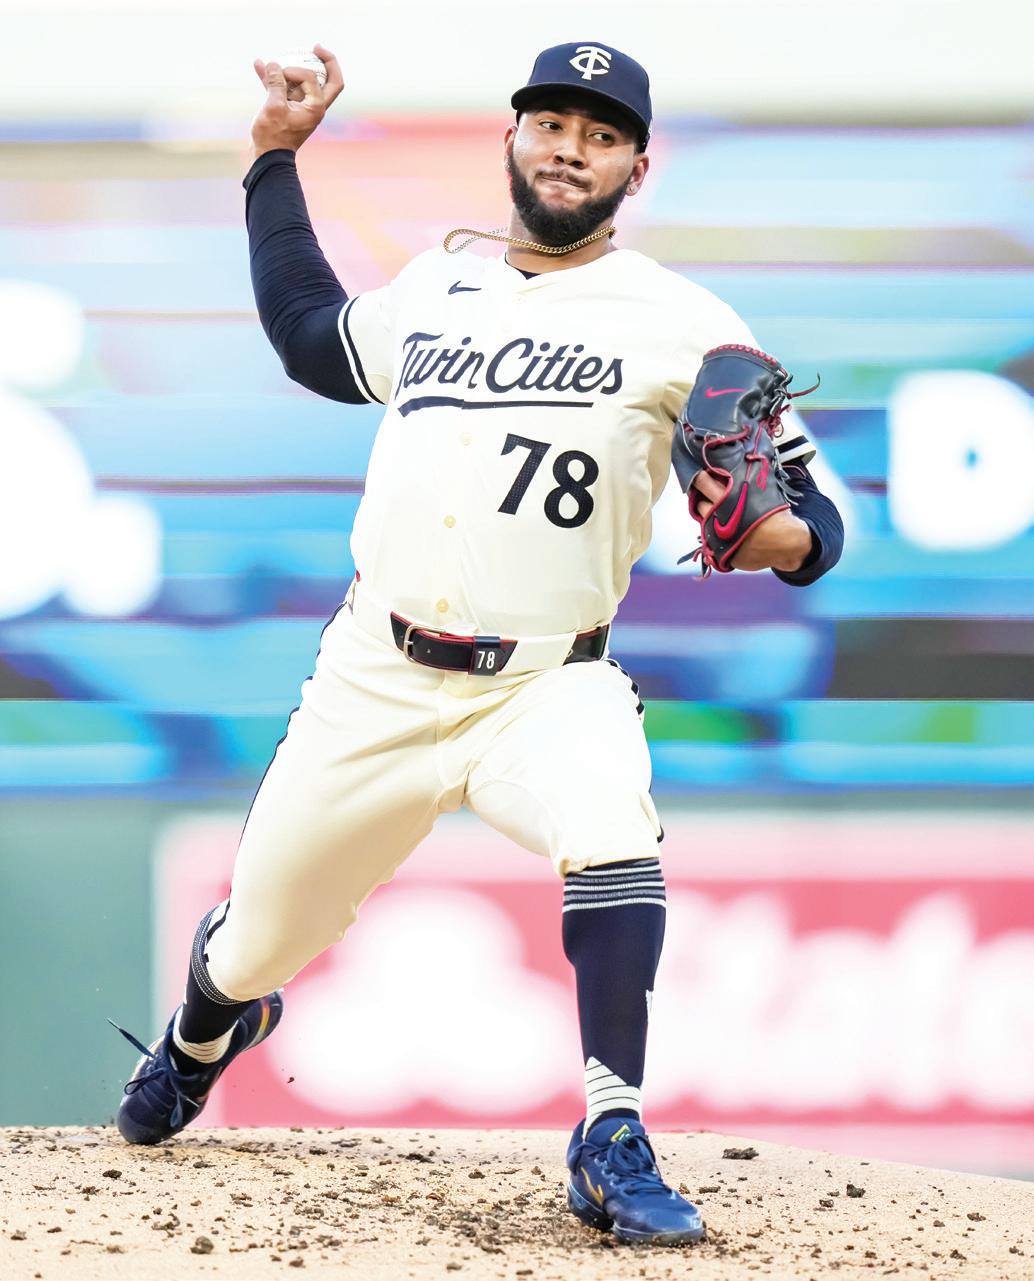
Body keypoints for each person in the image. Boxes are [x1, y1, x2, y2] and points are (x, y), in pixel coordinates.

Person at [114, 41, 844, 1247]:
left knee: (611, 828)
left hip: (546, 683)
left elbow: (808, 520)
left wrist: (783, 537)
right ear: (512, 139)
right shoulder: (435, 288)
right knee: (253, 945)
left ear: (634, 169)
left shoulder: (688, 325)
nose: (569, 148)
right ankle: (205, 1033)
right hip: (374, 678)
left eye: (599, 135)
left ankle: (610, 1134)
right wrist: (273, 161)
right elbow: (308, 337)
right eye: (551, 123)